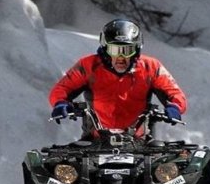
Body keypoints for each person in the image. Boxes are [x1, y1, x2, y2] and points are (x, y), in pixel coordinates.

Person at [49, 19, 187, 139]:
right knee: (64, 167)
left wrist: (175, 107)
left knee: (169, 167)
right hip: (94, 141)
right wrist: (60, 103)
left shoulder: (150, 67)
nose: (121, 57)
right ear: (105, 48)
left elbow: (175, 93)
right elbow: (62, 88)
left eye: (127, 50)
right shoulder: (88, 66)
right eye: (114, 50)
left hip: (141, 143)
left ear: (137, 50)